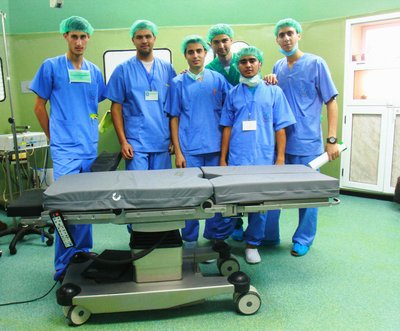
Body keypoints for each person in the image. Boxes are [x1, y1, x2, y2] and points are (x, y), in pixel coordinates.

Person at [30, 16, 106, 281]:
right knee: (63, 207)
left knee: (86, 204)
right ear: (65, 37)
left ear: (89, 39)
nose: (79, 41)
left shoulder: (94, 71)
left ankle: (83, 251)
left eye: (83, 37)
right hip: (64, 148)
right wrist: (53, 136)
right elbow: (39, 106)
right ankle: (63, 262)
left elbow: (92, 106)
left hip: (88, 146)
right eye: (74, 36)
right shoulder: (50, 67)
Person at [264, 18, 339, 257]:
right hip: (282, 142)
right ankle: (269, 235)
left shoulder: (316, 63)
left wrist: (332, 139)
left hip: (309, 142)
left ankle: (303, 239)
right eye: (281, 35)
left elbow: (331, 101)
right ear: (276, 39)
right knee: (273, 191)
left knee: (308, 193)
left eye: (290, 34)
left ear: (298, 35)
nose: (286, 39)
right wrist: (269, 79)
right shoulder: (277, 66)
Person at [220, 46, 296, 264]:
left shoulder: (274, 91)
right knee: (232, 200)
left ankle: (253, 244)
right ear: (238, 66)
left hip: (263, 156)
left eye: (252, 60)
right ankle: (228, 235)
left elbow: (280, 127)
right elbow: (226, 127)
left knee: (260, 203)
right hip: (237, 155)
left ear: (260, 63)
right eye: (243, 62)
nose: (248, 65)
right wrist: (223, 159)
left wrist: (280, 158)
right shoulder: (233, 93)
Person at [169, 35, 232, 246]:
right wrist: (178, 151)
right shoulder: (178, 83)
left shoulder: (217, 79)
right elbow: (174, 117)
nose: (195, 55)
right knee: (191, 196)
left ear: (206, 53)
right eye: (190, 52)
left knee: (216, 196)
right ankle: (189, 239)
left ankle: (216, 237)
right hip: (190, 149)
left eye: (199, 51)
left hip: (215, 148)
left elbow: (231, 107)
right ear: (185, 55)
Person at [105, 20, 176, 171]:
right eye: (139, 37)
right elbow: (116, 108)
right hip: (136, 143)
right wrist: (123, 142)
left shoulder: (167, 69)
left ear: (154, 38)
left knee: (161, 187)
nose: (144, 41)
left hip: (162, 141)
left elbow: (174, 107)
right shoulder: (122, 70)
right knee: (137, 188)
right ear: (133, 40)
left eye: (148, 36)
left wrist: (174, 140)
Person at [206, 23, 245, 240]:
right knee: (225, 180)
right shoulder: (210, 68)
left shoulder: (245, 61)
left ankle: (240, 222)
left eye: (225, 40)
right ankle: (232, 223)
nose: (221, 45)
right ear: (210, 45)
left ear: (231, 40)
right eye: (216, 42)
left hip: (245, 128)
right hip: (221, 128)